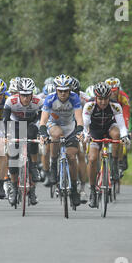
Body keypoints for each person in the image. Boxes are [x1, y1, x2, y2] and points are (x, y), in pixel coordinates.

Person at [82, 82, 131, 208]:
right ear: (96, 97)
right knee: (92, 159)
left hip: (110, 127)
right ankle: (92, 190)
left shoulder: (115, 106)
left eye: (106, 99)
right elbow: (85, 124)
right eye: (100, 99)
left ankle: (114, 165)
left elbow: (121, 125)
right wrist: (86, 135)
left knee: (116, 134)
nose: (103, 102)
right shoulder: (89, 105)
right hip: (94, 131)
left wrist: (124, 136)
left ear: (109, 98)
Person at [38, 74, 84, 207]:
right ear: (56, 89)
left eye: (65, 90)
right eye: (60, 90)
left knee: (71, 156)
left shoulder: (75, 98)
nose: (63, 93)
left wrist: (79, 130)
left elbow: (79, 118)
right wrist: (42, 132)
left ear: (69, 90)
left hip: (69, 126)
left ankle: (74, 189)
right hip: (54, 124)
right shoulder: (50, 98)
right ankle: (53, 165)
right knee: (57, 134)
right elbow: (43, 119)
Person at [4, 77, 43, 206]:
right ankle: (14, 188)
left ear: (32, 93)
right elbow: (5, 120)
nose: (26, 98)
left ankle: (34, 169)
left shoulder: (38, 101)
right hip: (16, 124)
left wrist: (42, 134)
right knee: (14, 155)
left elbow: (43, 118)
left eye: (28, 95)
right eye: (23, 95)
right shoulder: (11, 101)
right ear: (18, 93)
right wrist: (6, 135)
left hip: (32, 123)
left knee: (32, 138)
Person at [104, 77, 132, 174]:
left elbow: (126, 115)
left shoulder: (123, 98)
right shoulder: (103, 98)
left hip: (120, 118)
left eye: (115, 91)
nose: (112, 93)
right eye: (110, 91)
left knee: (122, 139)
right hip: (107, 119)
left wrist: (127, 130)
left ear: (119, 89)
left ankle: (119, 162)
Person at [70, 76, 89, 203]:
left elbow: (89, 116)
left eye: (75, 92)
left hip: (80, 124)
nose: (73, 95)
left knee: (81, 154)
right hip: (64, 124)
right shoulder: (58, 96)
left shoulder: (85, 98)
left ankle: (82, 188)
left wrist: (85, 132)